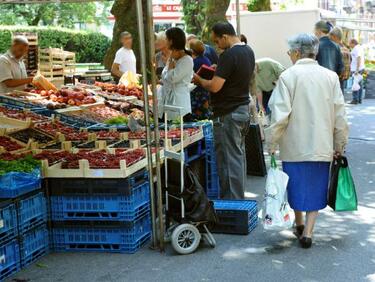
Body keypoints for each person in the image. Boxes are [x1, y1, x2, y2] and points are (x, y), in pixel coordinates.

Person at [265, 33, 348, 249]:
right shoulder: (330, 77)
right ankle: (308, 232)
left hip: (294, 144)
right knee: (316, 187)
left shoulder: (288, 76)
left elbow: (280, 114)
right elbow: (340, 114)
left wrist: (271, 142)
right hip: (322, 144)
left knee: (295, 185)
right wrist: (339, 144)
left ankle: (299, 223)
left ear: (295, 52)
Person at [194, 22, 255, 199]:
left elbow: (214, 87)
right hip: (242, 109)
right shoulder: (248, 51)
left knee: (228, 161)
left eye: (216, 41)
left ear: (225, 37)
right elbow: (234, 76)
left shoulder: (229, 55)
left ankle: (233, 203)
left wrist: (199, 80)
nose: (216, 46)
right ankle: (238, 199)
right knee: (237, 157)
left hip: (228, 112)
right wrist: (218, 70)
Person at [159, 27, 194, 120]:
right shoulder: (172, 57)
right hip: (167, 102)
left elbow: (172, 78)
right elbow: (164, 76)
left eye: (166, 39)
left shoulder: (187, 60)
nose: (165, 41)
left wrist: (170, 68)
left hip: (179, 103)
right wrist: (170, 66)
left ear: (171, 41)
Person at [188, 39, 212, 120]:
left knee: (197, 116)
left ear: (192, 50)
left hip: (196, 92)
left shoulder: (194, 62)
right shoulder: (206, 59)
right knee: (204, 114)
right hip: (205, 91)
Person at [330, 27, 351, 92]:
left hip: (334, 78)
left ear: (334, 36)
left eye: (330, 36)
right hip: (342, 78)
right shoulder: (346, 49)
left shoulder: (335, 49)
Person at [349, 39, 366, 104]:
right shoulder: (359, 48)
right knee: (359, 84)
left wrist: (357, 69)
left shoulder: (356, 49)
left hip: (357, 69)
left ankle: (355, 99)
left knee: (355, 84)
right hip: (360, 68)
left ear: (353, 43)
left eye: (350, 43)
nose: (349, 45)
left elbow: (358, 58)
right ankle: (359, 99)